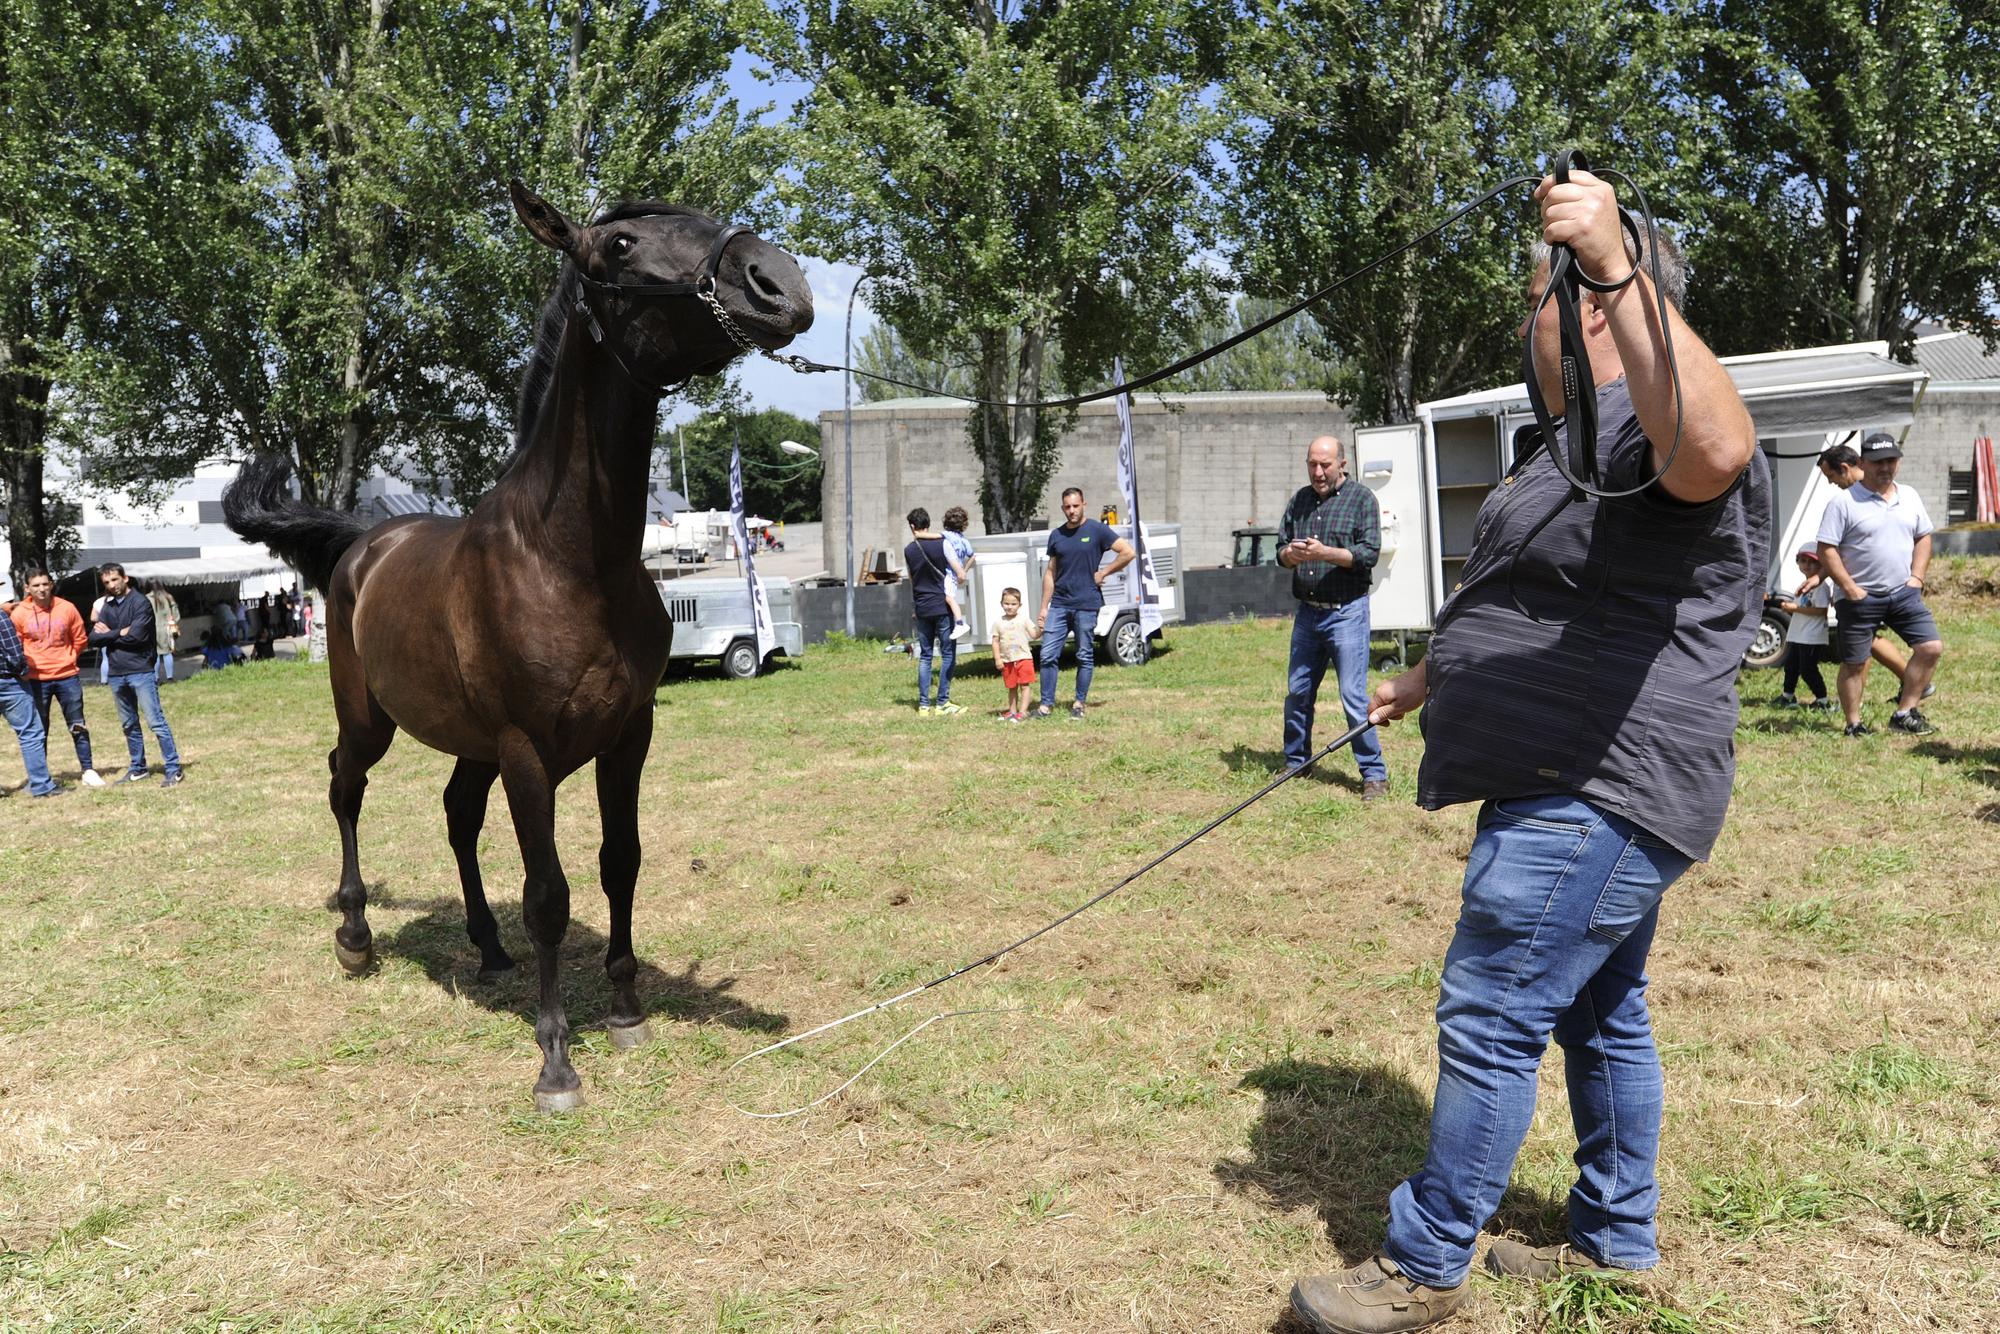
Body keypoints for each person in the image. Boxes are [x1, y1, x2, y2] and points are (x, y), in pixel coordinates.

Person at [1288, 169, 1767, 1334]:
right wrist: (1422, 676)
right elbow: (1539, 597)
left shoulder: (1662, 421)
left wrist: (1610, 259)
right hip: (1568, 774)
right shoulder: (1569, 444)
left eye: (1536, 298)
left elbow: (1712, 446)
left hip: (1596, 785)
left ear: (1592, 308)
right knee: (1603, 1010)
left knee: (1491, 1004)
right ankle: (1613, 1239)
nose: (1523, 322)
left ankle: (1422, 1260)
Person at [1278, 433, 1387, 800]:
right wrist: (1290, 555)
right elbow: (1280, 548)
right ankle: (1296, 763)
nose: (1318, 471)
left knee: (1353, 697)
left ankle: (1373, 774)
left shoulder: (1361, 500)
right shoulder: (1300, 500)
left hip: (1347, 613)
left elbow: (1368, 554)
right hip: (1308, 613)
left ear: (1342, 463)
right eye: (1312, 464)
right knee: (1298, 692)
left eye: (1325, 464)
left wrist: (1326, 552)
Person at [1817, 432, 1943, 737]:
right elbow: (1827, 549)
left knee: (1930, 648)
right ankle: (1854, 724)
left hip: (1903, 592)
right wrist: (1849, 588)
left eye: (1891, 460)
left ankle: (1905, 712)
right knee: (1855, 663)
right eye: (1878, 462)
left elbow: (1923, 536)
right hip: (1860, 597)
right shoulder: (1843, 502)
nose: (1885, 467)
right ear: (1863, 463)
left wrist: (1917, 577)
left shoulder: (1909, 495)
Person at [1816, 443, 1922, 691]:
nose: (1831, 483)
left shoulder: (1859, 497)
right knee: (1865, 645)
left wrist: (1916, 577)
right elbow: (1837, 547)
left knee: (1862, 647)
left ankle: (1910, 681)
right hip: (1864, 588)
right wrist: (1821, 575)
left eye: (1830, 476)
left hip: (1872, 590)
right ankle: (1909, 682)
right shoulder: (1853, 498)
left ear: (1844, 468)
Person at [1033, 487, 1134, 721]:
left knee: (1084, 655)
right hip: (1059, 603)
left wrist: (1105, 571)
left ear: (1083, 505)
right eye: (1067, 507)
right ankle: (1045, 705)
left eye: (1075, 506)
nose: (1071, 511)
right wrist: (1043, 606)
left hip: (1087, 603)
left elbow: (1127, 553)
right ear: (1062, 508)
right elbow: (1050, 572)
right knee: (1047, 654)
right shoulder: (1056, 535)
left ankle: (1079, 703)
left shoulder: (1097, 530)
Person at [88, 563, 185, 786]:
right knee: (129, 724)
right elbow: (93, 638)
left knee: (155, 722)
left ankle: (173, 768)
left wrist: (111, 635)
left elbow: (137, 637)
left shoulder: (140, 603)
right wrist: (121, 632)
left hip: (140, 670)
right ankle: (138, 768)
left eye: (115, 580)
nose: (112, 585)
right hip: (116, 673)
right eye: (107, 582)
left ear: (125, 578)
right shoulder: (108, 606)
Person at [11, 569, 104, 786]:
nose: (41, 589)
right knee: (38, 729)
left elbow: (80, 638)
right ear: (27, 588)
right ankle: (40, 776)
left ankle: (88, 770)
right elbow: (16, 645)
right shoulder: (20, 613)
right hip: (35, 679)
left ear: (51, 584)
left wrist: (70, 657)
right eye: (36, 585)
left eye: (45, 584)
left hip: (67, 676)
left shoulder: (66, 608)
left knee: (77, 723)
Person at [0, 591, 62, 798]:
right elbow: (14, 653)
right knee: (30, 733)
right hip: (8, 684)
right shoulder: (1, 618)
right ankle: (42, 786)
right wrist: (24, 673)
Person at [903, 508, 963, 716]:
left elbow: (912, 579)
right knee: (948, 654)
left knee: (925, 656)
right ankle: (943, 703)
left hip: (922, 606)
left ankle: (923, 705)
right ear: (928, 523)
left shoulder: (909, 550)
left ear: (912, 526)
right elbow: (958, 571)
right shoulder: (942, 543)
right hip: (942, 605)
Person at [1775, 547, 1833, 710]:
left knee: (1808, 669)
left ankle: (1823, 701)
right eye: (1803, 561)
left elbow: (1821, 610)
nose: (1807, 565)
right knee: (1791, 666)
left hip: (1812, 636)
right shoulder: (1804, 584)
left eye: (1813, 562)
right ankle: (1788, 696)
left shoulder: (1821, 586)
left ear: (1822, 565)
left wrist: (1794, 608)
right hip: (1798, 634)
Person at [989, 587, 1035, 722]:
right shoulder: (998, 622)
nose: (1010, 607)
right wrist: (998, 658)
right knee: (1011, 686)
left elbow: (1034, 635)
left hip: (1024, 658)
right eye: (1006, 603)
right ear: (1001, 604)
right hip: (1007, 660)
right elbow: (995, 641)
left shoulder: (1024, 619)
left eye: (1013, 604)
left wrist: (1041, 629)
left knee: (1025, 685)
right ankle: (1012, 711)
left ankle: (1023, 711)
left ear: (1019, 605)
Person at [940, 505, 976, 642]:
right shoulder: (964, 540)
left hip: (949, 572)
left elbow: (935, 536)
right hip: (956, 574)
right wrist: (964, 571)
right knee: (950, 597)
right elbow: (972, 556)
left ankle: (960, 623)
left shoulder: (947, 536)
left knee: (949, 597)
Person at [147, 580, 181, 681]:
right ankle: (170, 677)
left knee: (155, 654)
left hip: (152, 628)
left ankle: (156, 678)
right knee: (167, 653)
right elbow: (176, 616)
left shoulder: (147, 598)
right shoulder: (168, 597)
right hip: (166, 628)